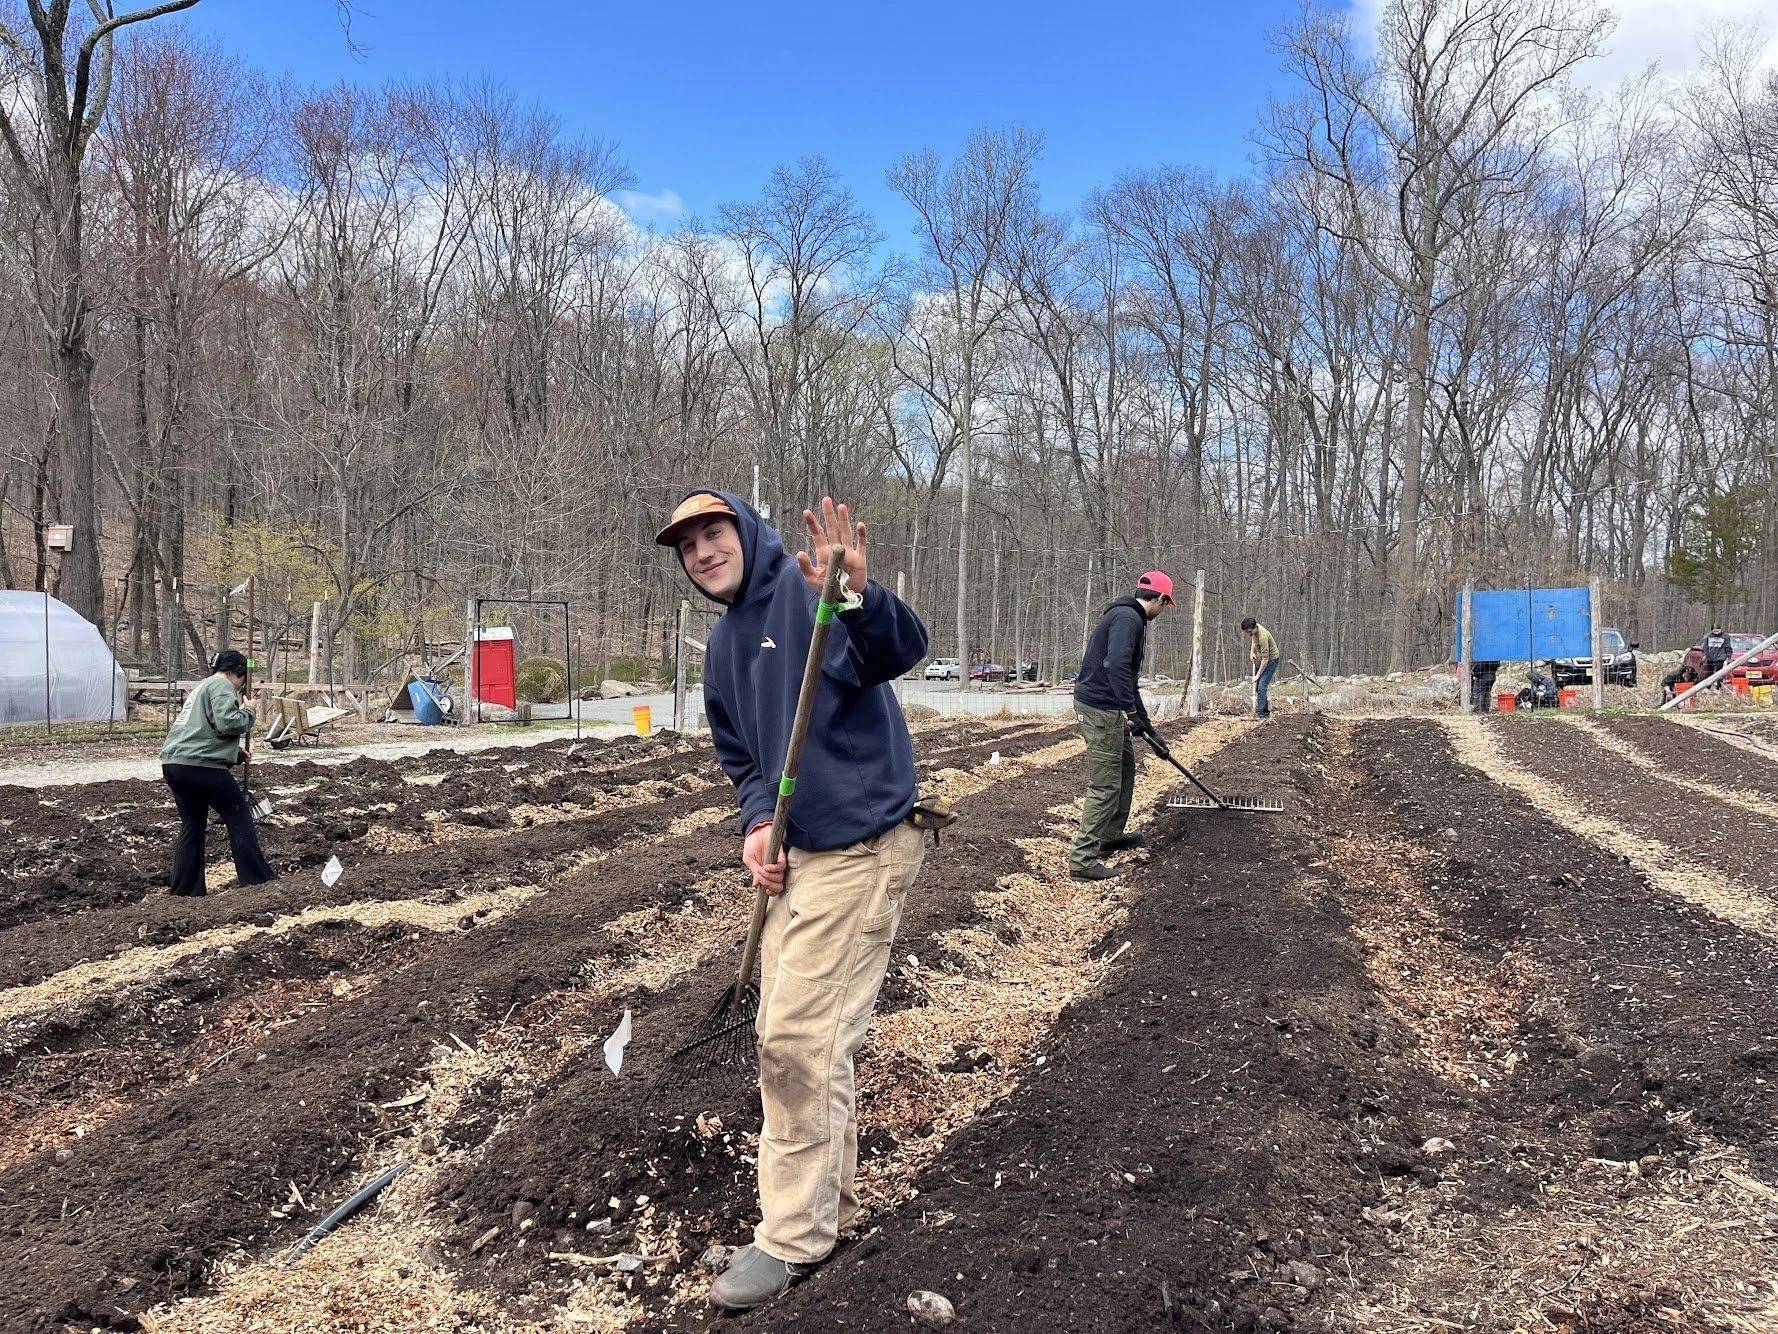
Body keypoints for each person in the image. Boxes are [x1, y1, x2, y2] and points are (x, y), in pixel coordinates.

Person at [656, 489, 929, 1312]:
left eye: (715, 533)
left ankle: (794, 1239)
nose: (704, 552)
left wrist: (855, 595)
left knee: (797, 1042)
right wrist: (757, 821)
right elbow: (742, 756)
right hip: (797, 854)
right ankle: (830, 1207)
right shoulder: (721, 649)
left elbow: (898, 648)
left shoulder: (807, 593)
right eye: (688, 545)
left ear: (745, 529)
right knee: (805, 1038)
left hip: (863, 846)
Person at [1069, 571, 1175, 883]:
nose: (1163, 611)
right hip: (1099, 709)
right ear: (1159, 599)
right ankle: (1083, 860)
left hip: (1109, 707)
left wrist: (1148, 728)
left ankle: (1109, 838)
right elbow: (1114, 665)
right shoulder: (1129, 619)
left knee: (1126, 769)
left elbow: (1128, 681)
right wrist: (1129, 710)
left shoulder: (1129, 618)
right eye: (1165, 605)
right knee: (1105, 785)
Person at [160, 649, 277, 897]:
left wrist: (231, 755)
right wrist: (249, 710)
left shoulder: (203, 687)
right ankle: (257, 879)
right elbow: (228, 723)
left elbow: (200, 731)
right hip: (201, 766)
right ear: (238, 673)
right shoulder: (224, 686)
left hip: (176, 764)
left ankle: (185, 890)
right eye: (243, 677)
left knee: (192, 824)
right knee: (239, 815)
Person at [1242, 617, 1281, 718]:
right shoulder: (1255, 631)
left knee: (1261, 686)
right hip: (1263, 658)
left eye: (1249, 631)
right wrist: (1252, 652)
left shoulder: (1263, 636)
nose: (1248, 634)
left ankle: (1262, 714)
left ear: (1254, 627)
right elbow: (1254, 640)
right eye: (1246, 632)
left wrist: (1257, 675)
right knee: (1258, 687)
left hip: (1271, 660)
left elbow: (1265, 660)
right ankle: (1263, 710)